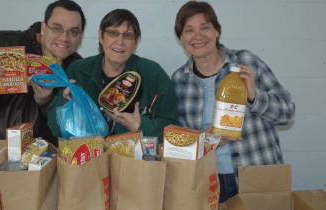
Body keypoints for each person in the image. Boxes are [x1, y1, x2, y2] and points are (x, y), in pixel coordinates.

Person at [171, 1, 295, 203]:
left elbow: (288, 114)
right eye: (189, 30)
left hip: (258, 173)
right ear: (181, 38)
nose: (198, 36)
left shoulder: (246, 62)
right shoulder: (179, 80)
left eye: (205, 27)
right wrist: (209, 141)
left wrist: (255, 96)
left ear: (217, 31)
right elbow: (180, 143)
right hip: (209, 181)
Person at [0, 0, 85, 145]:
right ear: (43, 27)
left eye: (73, 31)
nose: (64, 38)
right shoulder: (2, 43)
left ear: (81, 36)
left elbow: (72, 129)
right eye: (57, 28)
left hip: (42, 158)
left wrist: (46, 103)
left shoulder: (77, 68)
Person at [45, 9, 179, 142]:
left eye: (127, 35)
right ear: (101, 36)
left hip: (133, 161)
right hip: (88, 158)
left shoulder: (153, 74)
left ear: (136, 41)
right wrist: (66, 105)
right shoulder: (78, 71)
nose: (120, 41)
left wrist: (140, 126)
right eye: (113, 33)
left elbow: (173, 130)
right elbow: (54, 128)